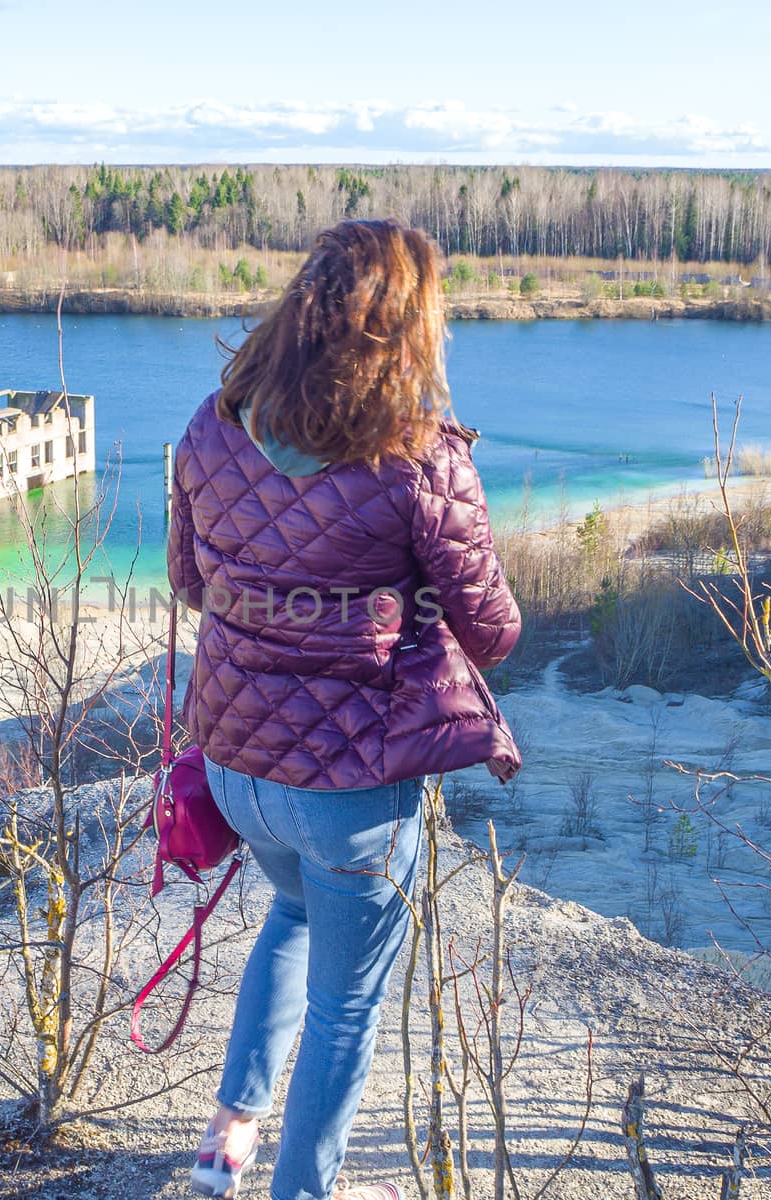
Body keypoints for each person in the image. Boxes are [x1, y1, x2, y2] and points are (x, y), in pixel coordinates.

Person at [166, 219, 523, 1200]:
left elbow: (191, 581)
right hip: (349, 790)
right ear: (409, 329)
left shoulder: (213, 421)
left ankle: (226, 1141)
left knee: (288, 912)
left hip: (235, 766)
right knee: (344, 1008)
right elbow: (490, 633)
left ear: (300, 308)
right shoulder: (420, 459)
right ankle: (299, 1191)